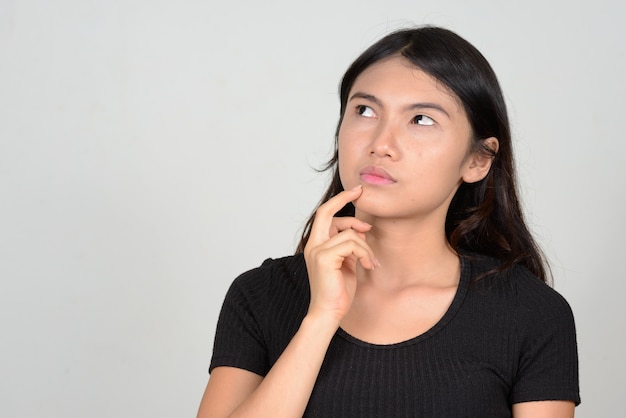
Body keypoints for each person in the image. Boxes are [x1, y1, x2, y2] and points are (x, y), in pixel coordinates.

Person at [197, 26, 580, 417]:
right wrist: (320, 320)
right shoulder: (261, 295)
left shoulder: (531, 314)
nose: (381, 143)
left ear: (477, 159)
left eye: (421, 120)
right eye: (364, 110)